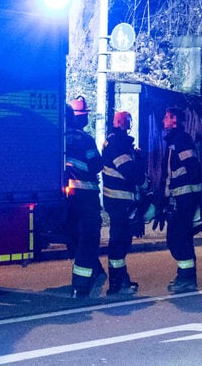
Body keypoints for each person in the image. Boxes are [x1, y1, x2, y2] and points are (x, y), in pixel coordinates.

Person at [156, 106, 202, 294]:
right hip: (179, 199)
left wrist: (191, 198)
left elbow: (193, 170)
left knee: (177, 239)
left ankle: (187, 279)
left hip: (184, 200)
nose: (163, 121)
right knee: (182, 238)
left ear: (174, 120)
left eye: (166, 118)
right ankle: (185, 276)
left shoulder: (181, 141)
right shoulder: (174, 142)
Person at [64, 96, 107, 298]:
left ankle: (96, 273)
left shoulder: (56, 138)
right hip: (86, 196)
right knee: (88, 239)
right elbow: (96, 164)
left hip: (64, 198)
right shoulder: (85, 139)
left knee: (74, 237)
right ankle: (80, 287)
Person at [101, 110, 143, 295]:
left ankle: (120, 280)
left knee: (121, 241)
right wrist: (146, 183)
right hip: (119, 201)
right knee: (119, 242)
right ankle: (117, 284)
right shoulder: (117, 144)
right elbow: (128, 170)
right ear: (122, 123)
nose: (127, 124)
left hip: (118, 201)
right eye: (126, 121)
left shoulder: (119, 142)